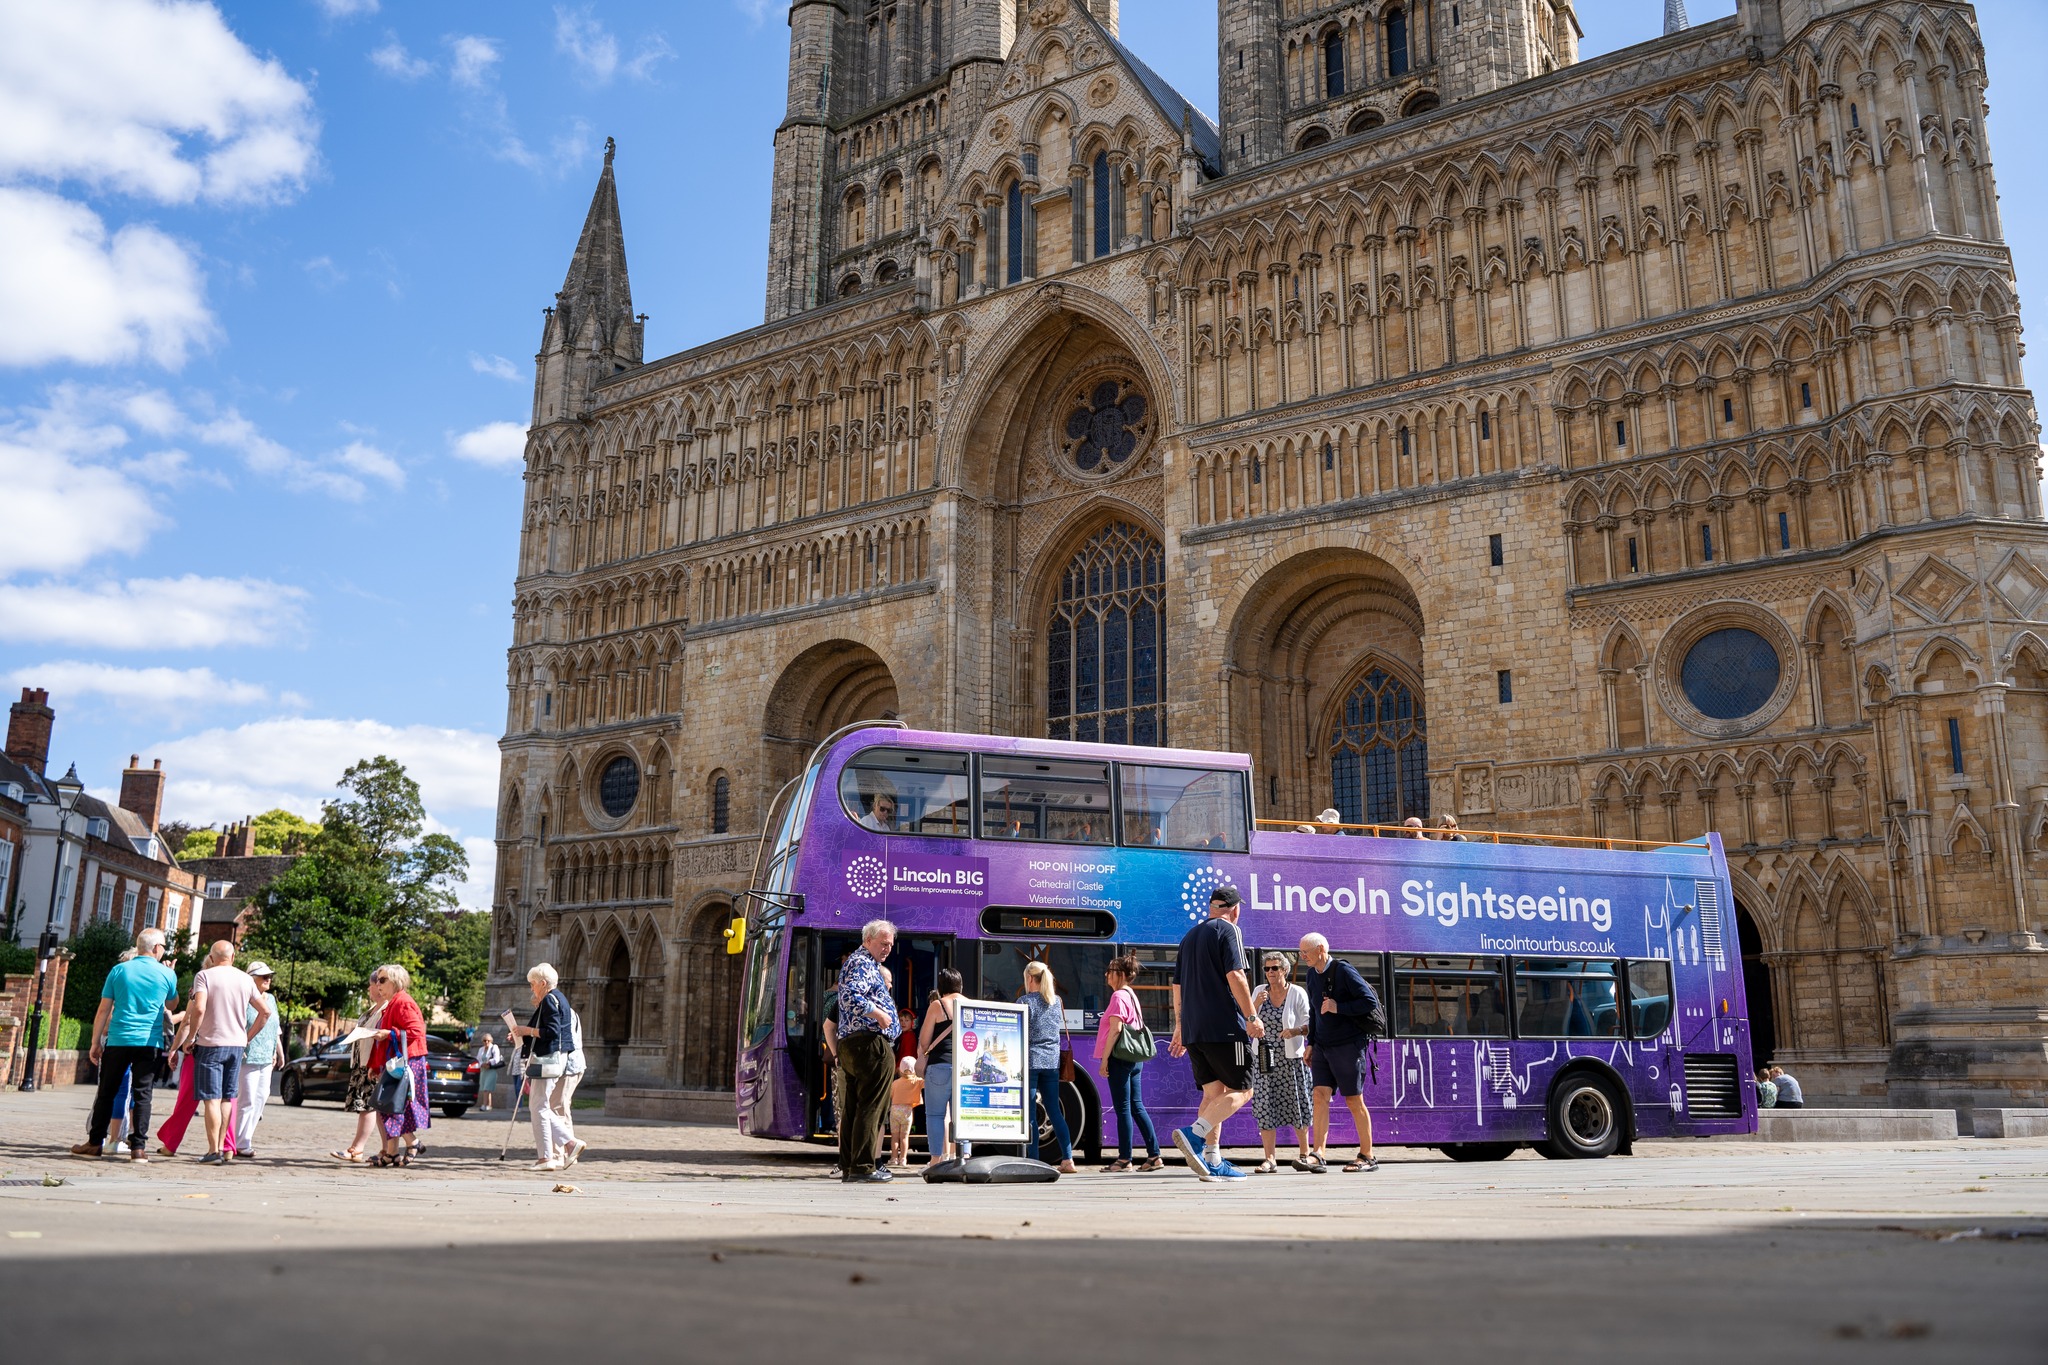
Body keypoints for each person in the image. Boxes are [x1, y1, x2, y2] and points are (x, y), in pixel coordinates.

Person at [1168, 884, 1264, 1181]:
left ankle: (1212, 1159)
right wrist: (1251, 1016)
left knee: (1214, 1093)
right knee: (1244, 1089)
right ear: (1234, 909)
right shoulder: (1228, 930)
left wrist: (1180, 1027)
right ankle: (1194, 1135)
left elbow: (1177, 987)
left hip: (1195, 1029)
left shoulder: (1189, 937)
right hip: (1224, 1027)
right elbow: (1236, 975)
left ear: (1212, 906)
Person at [71, 928, 178, 1162]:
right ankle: (138, 1149)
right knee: (143, 1095)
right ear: (157, 948)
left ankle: (95, 1143)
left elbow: (103, 1009)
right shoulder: (166, 973)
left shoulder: (119, 970)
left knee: (107, 1092)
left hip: (119, 1039)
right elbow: (172, 1002)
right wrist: (170, 975)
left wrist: (94, 1042)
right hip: (149, 1041)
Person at [1299, 932, 1380, 1173]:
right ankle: (1318, 1154)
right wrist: (1311, 1043)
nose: (1302, 956)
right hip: (1323, 1046)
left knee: (1354, 1100)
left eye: (1305, 952)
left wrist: (1339, 1007)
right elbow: (1314, 1011)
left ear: (1321, 949)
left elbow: (1369, 1002)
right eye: (1300, 952)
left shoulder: (1343, 970)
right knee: (1319, 1095)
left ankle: (1367, 1155)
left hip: (1348, 1045)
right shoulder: (1312, 975)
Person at [185, 940, 269, 1166]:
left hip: (211, 1044)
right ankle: (222, 1147)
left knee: (210, 1099)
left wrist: (192, 1036)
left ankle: (213, 1150)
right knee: (226, 1098)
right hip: (236, 1045)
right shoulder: (245, 979)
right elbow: (265, 1011)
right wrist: (247, 1037)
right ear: (233, 958)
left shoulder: (205, 976)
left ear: (211, 958)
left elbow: (199, 1008)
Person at [835, 919, 901, 1183]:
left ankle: (850, 1165)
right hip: (869, 1043)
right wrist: (879, 1015)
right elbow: (849, 996)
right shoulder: (862, 962)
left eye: (890, 945)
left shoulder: (866, 964)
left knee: (854, 1106)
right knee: (870, 1105)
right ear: (868, 940)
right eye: (883, 943)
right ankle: (863, 1166)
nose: (887, 949)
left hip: (857, 1043)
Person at [1095, 955, 1163, 1171]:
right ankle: (1154, 1156)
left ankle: (1124, 1159)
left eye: (1110, 970)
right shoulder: (1131, 995)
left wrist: (1105, 1059)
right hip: (1134, 1059)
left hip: (1120, 1058)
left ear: (1121, 975)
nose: (1107, 974)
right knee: (1136, 1106)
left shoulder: (1118, 996)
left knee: (1123, 1108)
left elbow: (1116, 1029)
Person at [1249, 951, 1314, 1173]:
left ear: (1284, 970)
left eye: (1274, 968)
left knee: (1297, 1104)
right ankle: (1270, 1159)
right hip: (1265, 1057)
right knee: (1266, 1105)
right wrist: (1254, 1005)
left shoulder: (1296, 993)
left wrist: (1295, 1031)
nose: (1270, 972)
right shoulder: (1259, 992)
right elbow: (1246, 1022)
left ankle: (1305, 1154)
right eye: (1267, 969)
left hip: (1291, 1059)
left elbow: (1309, 1024)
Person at [508, 963, 576, 1172]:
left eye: (532, 984)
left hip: (549, 1059)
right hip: (556, 1057)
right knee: (540, 1106)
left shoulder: (549, 999)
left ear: (543, 983)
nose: (531, 988)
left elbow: (552, 1032)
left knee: (538, 1106)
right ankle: (562, 1147)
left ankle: (554, 1152)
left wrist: (526, 1030)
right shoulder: (559, 998)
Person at [365, 963, 429, 1168]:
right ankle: (393, 1152)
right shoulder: (393, 1002)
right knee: (391, 1105)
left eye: (383, 980)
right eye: (378, 980)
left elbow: (416, 1031)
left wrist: (389, 1033)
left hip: (406, 1062)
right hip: (396, 1062)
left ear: (396, 982)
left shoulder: (403, 1002)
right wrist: (375, 1066)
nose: (378, 984)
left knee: (392, 1105)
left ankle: (411, 1143)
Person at [1018, 961, 1077, 1173]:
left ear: (1030, 979)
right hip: (1052, 1062)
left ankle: (1034, 1161)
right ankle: (1068, 1159)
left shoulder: (1024, 1001)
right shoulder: (1056, 1000)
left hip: (1031, 1061)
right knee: (1054, 1110)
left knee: (1031, 1113)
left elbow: (1019, 1032)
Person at [916, 965, 970, 1165]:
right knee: (963, 1115)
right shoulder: (970, 1004)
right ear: (960, 985)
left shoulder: (938, 1005)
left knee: (936, 1115)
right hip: (965, 1070)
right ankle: (963, 1157)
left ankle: (936, 1160)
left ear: (941, 987)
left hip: (940, 1067)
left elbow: (924, 1041)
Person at [330, 984, 388, 1163]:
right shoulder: (372, 1009)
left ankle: (359, 1149)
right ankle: (383, 1150)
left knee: (369, 1106)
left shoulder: (386, 1009)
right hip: (361, 1062)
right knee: (370, 1108)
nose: (369, 989)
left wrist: (375, 1064)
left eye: (372, 985)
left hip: (372, 1064)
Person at [232, 962, 283, 1158]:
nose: (268, 979)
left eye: (269, 976)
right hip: (249, 1054)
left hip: (266, 1056)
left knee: (261, 1097)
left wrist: (279, 1051)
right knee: (247, 1099)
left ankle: (246, 1138)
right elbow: (237, 1023)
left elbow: (275, 1027)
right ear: (251, 979)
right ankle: (241, 1141)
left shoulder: (270, 998)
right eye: (263, 976)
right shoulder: (244, 999)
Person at [887, 1056, 923, 1168]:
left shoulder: (895, 1083)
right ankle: (903, 1159)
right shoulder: (917, 1082)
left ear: (900, 1069)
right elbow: (926, 1082)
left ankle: (894, 1158)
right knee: (904, 1137)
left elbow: (890, 1095)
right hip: (907, 1111)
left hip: (895, 1110)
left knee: (894, 1136)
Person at [475, 1030, 504, 1110]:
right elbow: (478, 1059)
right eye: (484, 1040)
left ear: (491, 1041)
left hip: (491, 1070)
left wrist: (488, 1063)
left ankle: (484, 1105)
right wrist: (482, 1064)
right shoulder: (481, 1049)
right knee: (487, 1088)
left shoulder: (494, 1047)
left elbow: (496, 1059)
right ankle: (489, 1105)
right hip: (483, 1071)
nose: (486, 1042)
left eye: (488, 1040)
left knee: (486, 1088)